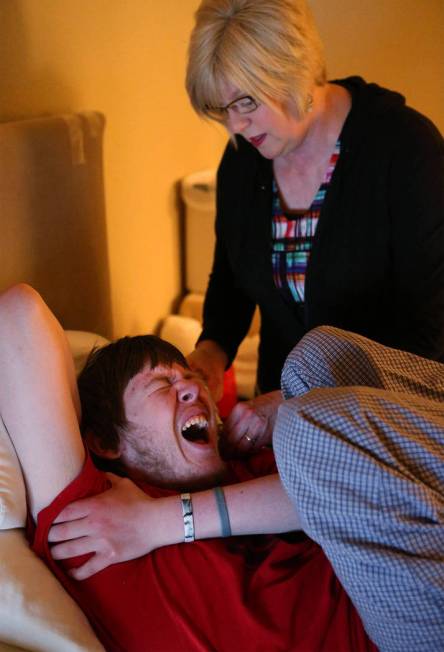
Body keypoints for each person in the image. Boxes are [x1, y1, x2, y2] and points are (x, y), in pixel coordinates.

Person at [0, 283, 376, 652]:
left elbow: (350, 485)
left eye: (192, 378)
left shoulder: (243, 465)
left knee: (318, 364)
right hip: (390, 627)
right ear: (107, 441)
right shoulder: (94, 527)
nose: (194, 390)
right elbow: (19, 315)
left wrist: (281, 407)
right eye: (161, 383)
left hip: (399, 565)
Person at [184, 0, 444, 428]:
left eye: (246, 102)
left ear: (293, 70)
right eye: (221, 109)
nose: (235, 127)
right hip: (279, 420)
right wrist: (211, 352)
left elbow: (427, 335)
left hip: (390, 420)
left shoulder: (405, 150)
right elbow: (231, 282)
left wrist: (292, 402)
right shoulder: (243, 162)